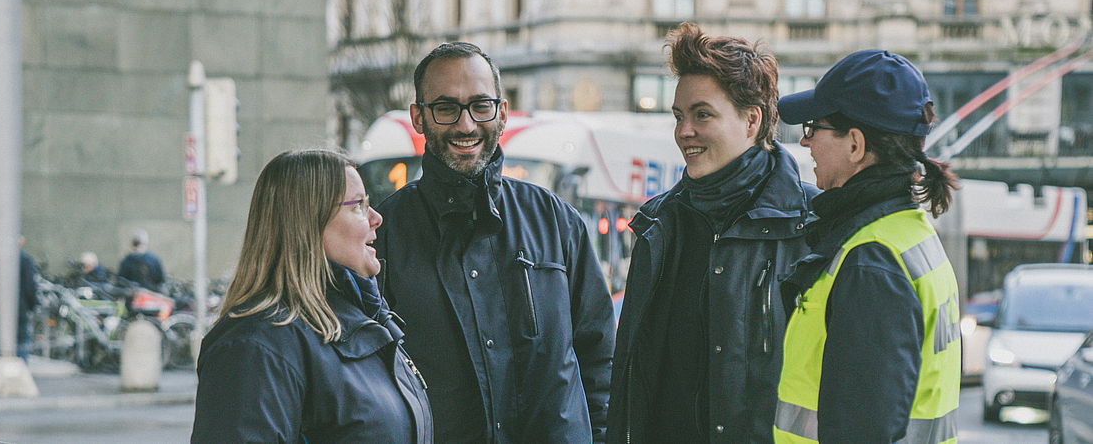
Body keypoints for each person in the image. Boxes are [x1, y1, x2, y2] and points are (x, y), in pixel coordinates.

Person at [373, 42, 616, 443]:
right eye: (446, 108)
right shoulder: (385, 235)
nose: (466, 125)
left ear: (502, 113)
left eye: (480, 106)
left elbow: (601, 363)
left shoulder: (556, 221)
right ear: (418, 116)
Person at [608, 23, 817, 443]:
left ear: (752, 120)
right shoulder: (656, 224)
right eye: (678, 116)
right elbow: (632, 378)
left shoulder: (811, 224)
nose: (684, 131)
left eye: (702, 114)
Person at [772, 49, 961, 443]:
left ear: (855, 145)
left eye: (814, 128)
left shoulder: (869, 261)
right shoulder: (908, 233)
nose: (805, 141)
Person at [192, 149, 432, 443]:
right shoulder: (255, 346)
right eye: (359, 205)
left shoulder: (365, 320)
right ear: (308, 222)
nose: (376, 218)